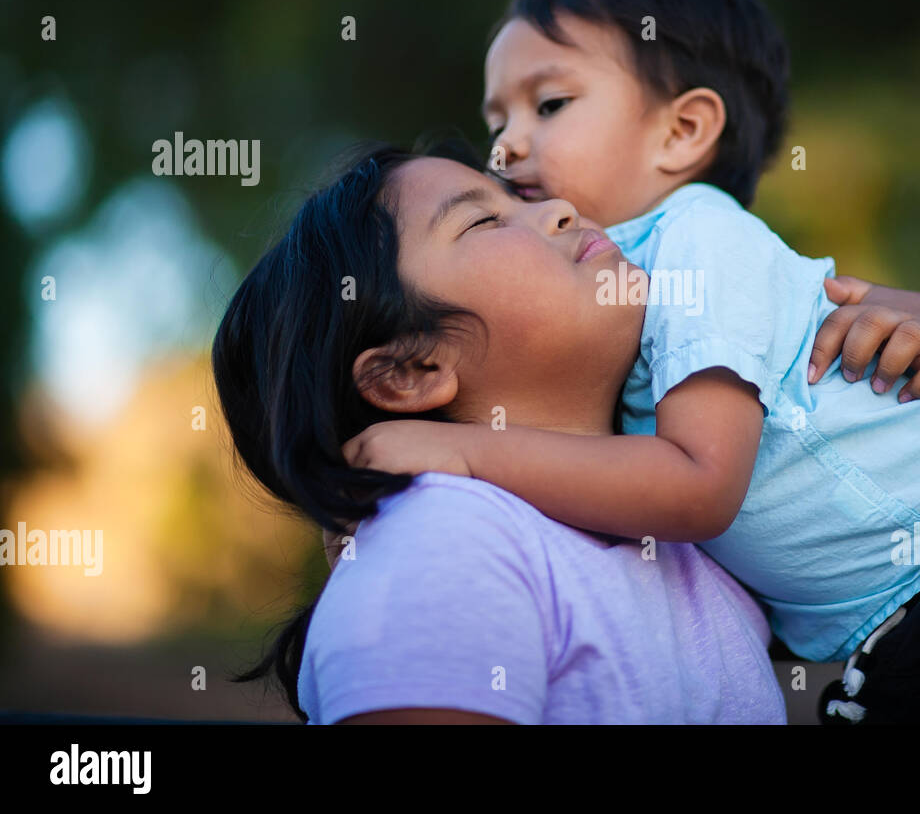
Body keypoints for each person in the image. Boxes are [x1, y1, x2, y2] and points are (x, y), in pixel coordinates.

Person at [345, 0, 920, 723]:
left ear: (682, 132)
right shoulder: (613, 298)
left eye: (549, 104)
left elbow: (697, 486)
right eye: (497, 120)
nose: (507, 145)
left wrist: (451, 451)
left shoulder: (700, 242)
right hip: (912, 611)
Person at [213, 140, 788, 723]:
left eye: (518, 196)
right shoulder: (442, 535)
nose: (561, 207)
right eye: (485, 218)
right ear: (411, 371)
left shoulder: (684, 527)